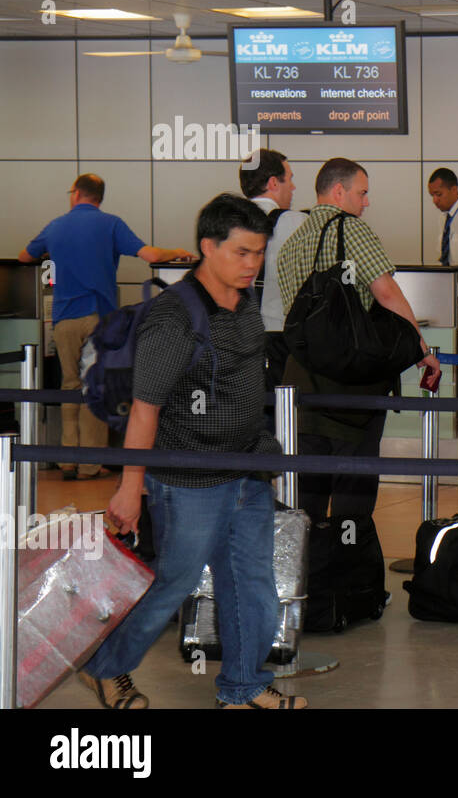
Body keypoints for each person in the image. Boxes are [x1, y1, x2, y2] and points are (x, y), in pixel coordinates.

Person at [79, 193, 304, 709]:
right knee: (173, 583)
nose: (252, 265)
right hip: (187, 479)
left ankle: (242, 688)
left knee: (252, 586)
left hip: (247, 469)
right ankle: (106, 668)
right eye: (242, 253)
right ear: (208, 246)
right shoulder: (173, 318)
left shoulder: (245, 311)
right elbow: (144, 409)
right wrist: (130, 487)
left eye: (259, 254)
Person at [278, 158, 440, 524]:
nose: (366, 202)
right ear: (338, 191)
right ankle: (351, 577)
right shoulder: (352, 229)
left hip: (302, 385)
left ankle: (310, 577)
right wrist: (420, 348)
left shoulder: (291, 244)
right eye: (362, 193)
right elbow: (386, 293)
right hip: (352, 384)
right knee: (353, 499)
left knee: (305, 503)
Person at [18, 173, 195, 480]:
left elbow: (24, 256)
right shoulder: (111, 224)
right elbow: (150, 255)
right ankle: (90, 464)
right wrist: (177, 251)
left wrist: (52, 251)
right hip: (99, 318)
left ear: (75, 194)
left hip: (63, 319)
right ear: (99, 197)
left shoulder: (55, 226)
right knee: (95, 388)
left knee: (69, 385)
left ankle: (66, 461)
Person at [238, 149, 307, 388]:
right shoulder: (297, 223)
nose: (294, 187)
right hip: (280, 338)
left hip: (233, 334)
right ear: (273, 183)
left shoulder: (225, 220)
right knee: (282, 411)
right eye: (290, 178)